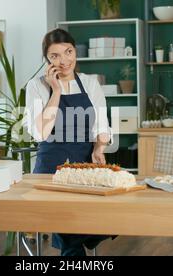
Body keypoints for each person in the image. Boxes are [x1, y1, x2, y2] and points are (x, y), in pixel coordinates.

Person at [25, 28, 112, 256]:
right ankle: (82, 239)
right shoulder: (36, 86)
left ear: (75, 51)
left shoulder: (90, 83)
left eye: (68, 52)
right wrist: (55, 91)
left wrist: (99, 146)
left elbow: (102, 125)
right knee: (67, 218)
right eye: (55, 56)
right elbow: (40, 133)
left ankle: (82, 238)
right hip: (50, 168)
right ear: (47, 59)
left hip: (84, 167)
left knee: (77, 219)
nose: (64, 61)